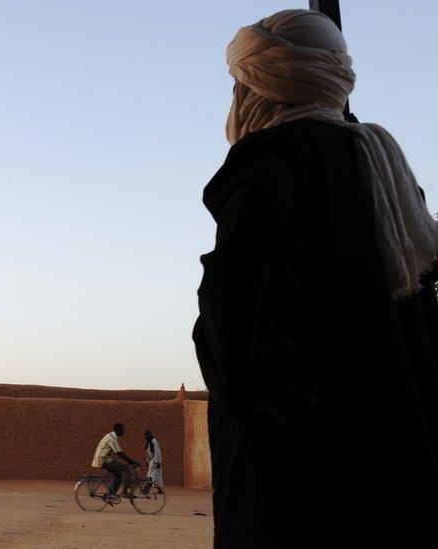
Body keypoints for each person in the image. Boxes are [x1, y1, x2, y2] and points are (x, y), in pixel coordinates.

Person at [194, 9, 438, 547]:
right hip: (392, 431)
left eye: (239, 84)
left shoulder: (270, 159)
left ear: (257, 90)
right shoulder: (386, 165)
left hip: (301, 453)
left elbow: (235, 303)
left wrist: (249, 384)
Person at [90, 423, 141, 497]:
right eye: (122, 430)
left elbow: (119, 453)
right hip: (103, 460)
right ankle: (125, 492)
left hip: (104, 459)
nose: (123, 432)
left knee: (119, 475)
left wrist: (130, 461)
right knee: (126, 467)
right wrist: (132, 462)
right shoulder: (111, 438)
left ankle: (110, 494)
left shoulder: (110, 436)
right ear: (118, 430)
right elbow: (119, 453)